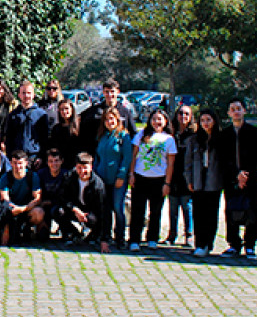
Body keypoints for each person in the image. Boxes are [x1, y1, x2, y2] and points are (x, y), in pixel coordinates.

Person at [219, 98, 257, 258]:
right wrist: (236, 174)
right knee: (231, 211)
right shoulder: (224, 134)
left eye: (239, 108)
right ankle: (233, 244)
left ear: (244, 111)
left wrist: (245, 173)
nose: (236, 111)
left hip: (251, 180)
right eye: (233, 109)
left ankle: (250, 245)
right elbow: (222, 158)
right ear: (229, 113)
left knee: (251, 212)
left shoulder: (253, 132)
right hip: (231, 180)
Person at [127, 109, 176, 252]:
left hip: (159, 179)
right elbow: (134, 156)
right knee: (137, 211)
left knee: (155, 211)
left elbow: (170, 163)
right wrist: (131, 174)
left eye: (160, 119)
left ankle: (152, 238)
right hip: (140, 177)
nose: (156, 122)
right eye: (154, 119)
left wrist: (167, 183)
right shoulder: (141, 135)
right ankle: (134, 239)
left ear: (166, 121)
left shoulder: (169, 139)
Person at [94, 107, 133, 250]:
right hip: (102, 178)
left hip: (117, 179)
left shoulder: (123, 136)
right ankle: (106, 235)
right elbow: (98, 157)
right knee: (105, 209)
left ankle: (120, 237)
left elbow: (127, 158)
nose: (109, 122)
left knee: (118, 208)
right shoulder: (102, 136)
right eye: (106, 119)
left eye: (112, 119)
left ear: (117, 120)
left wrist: (122, 175)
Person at [185, 108, 222, 257]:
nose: (206, 123)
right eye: (202, 120)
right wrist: (189, 180)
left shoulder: (220, 138)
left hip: (214, 181)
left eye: (209, 120)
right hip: (198, 180)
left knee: (212, 214)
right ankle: (199, 244)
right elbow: (187, 163)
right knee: (198, 213)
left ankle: (209, 243)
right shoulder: (193, 140)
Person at [0, 150, 43, 245]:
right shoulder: (5, 177)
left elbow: (37, 199)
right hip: (11, 210)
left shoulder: (32, 176)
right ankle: (5, 230)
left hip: (26, 208)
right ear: (10, 163)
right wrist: (13, 209)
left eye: (20, 163)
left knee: (39, 213)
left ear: (26, 163)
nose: (18, 166)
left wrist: (23, 209)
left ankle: (28, 228)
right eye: (15, 163)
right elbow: (5, 198)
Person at [59, 153, 108, 251]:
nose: (82, 171)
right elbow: (62, 198)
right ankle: (73, 233)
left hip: (90, 212)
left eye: (85, 168)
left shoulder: (98, 185)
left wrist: (104, 240)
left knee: (95, 219)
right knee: (58, 211)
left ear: (91, 167)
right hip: (74, 208)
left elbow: (103, 211)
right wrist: (75, 209)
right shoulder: (68, 177)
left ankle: (93, 236)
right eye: (79, 168)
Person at [79, 78, 136, 154]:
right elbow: (82, 127)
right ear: (103, 92)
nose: (109, 95)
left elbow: (133, 134)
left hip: (118, 153)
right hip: (97, 154)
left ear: (118, 92)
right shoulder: (94, 111)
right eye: (107, 92)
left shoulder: (125, 112)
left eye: (112, 92)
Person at [167, 106, 196, 247]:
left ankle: (189, 235)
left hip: (187, 176)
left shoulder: (193, 135)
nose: (183, 116)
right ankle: (172, 234)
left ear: (191, 117)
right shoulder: (171, 133)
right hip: (173, 175)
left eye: (186, 114)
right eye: (180, 113)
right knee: (172, 207)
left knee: (187, 206)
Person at [5, 81, 48, 167]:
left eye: (29, 93)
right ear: (19, 95)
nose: (26, 96)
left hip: (34, 158)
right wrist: (10, 157)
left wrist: (41, 157)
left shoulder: (41, 114)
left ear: (33, 95)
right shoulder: (13, 115)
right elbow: (9, 138)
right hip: (17, 158)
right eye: (23, 93)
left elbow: (45, 139)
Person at [37, 148, 67, 242]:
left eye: (57, 161)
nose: (54, 164)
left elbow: (66, 196)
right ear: (47, 162)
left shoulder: (66, 175)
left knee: (59, 211)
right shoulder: (41, 174)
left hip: (60, 206)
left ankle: (69, 231)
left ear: (62, 161)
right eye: (51, 161)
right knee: (42, 237)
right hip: (44, 206)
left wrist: (51, 202)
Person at [48, 99, 81, 171]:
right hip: (62, 165)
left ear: (72, 109)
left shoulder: (80, 126)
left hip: (77, 165)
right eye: (61, 109)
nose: (64, 111)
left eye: (66, 108)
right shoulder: (56, 128)